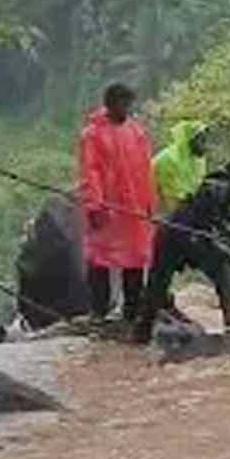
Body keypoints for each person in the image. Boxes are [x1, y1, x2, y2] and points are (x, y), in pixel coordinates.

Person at [134, 155, 230, 343]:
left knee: (162, 284)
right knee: (223, 267)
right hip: (177, 235)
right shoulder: (217, 187)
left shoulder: (229, 192)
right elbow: (212, 217)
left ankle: (143, 330)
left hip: (187, 237)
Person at [79, 82, 156, 322]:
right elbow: (90, 172)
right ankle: (98, 311)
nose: (127, 108)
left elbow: (146, 169)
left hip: (134, 208)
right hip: (107, 207)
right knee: (99, 258)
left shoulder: (137, 132)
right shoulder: (92, 134)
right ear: (110, 104)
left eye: (129, 104)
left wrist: (149, 204)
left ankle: (131, 310)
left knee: (135, 258)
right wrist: (94, 205)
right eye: (123, 103)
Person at [153, 120, 210, 213]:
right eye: (202, 140)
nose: (206, 146)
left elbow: (196, 188)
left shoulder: (197, 160)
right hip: (159, 213)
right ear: (189, 140)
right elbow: (171, 202)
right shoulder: (169, 159)